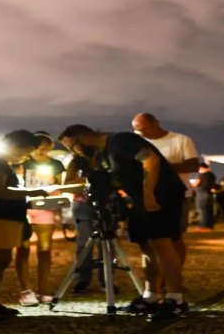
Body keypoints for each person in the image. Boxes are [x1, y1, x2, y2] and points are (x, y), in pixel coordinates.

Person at [59, 125, 188, 321]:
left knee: (161, 244)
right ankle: (151, 296)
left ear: (83, 137)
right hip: (138, 199)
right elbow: (119, 179)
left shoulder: (120, 140)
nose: (73, 151)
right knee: (146, 246)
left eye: (73, 146)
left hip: (162, 193)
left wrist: (148, 193)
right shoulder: (102, 155)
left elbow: (150, 160)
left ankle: (175, 299)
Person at [0, 130, 50, 324]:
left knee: (1, 261)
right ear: (16, 146)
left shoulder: (0, 163)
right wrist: (31, 193)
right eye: (26, 151)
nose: (26, 156)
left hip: (3, 218)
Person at [131, 112, 198, 268]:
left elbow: (193, 165)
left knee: (174, 237)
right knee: (149, 238)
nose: (141, 133)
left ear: (155, 123)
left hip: (177, 194)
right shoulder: (140, 143)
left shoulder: (181, 140)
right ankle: (158, 278)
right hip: (148, 194)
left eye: (143, 129)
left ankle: (175, 275)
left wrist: (159, 168)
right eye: (137, 131)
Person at [15, 132, 65, 305]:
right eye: (39, 145)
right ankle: (26, 290)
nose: (43, 149)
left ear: (51, 146)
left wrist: (53, 184)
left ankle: (42, 290)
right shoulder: (22, 162)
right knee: (23, 248)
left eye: (47, 145)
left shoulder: (56, 164)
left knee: (45, 250)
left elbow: (59, 187)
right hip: (24, 207)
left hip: (45, 206)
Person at [65, 154, 107, 294]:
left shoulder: (105, 158)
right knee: (83, 244)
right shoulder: (76, 163)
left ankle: (107, 279)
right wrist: (85, 181)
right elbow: (67, 184)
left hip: (105, 204)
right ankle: (82, 279)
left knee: (106, 244)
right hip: (82, 205)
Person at [191, 163, 217, 231]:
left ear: (201, 167)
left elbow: (195, 184)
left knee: (203, 211)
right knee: (209, 211)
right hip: (209, 194)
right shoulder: (211, 175)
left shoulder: (202, 175)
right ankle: (210, 226)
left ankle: (204, 226)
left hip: (202, 194)